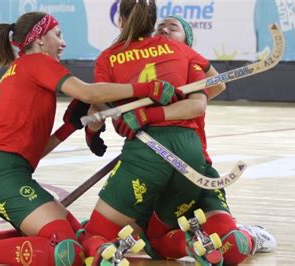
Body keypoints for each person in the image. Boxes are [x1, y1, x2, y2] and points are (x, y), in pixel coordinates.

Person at [0, 11, 183, 266]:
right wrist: (147, 88)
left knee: (79, 236)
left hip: (3, 171)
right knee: (64, 248)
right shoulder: (37, 61)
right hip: (0, 175)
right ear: (39, 40)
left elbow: (29, 150)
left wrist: (68, 127)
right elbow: (89, 92)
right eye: (57, 35)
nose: (63, 42)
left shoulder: (18, 69)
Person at [76, 0, 218, 264]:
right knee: (158, 237)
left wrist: (94, 133)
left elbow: (98, 107)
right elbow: (215, 85)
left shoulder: (108, 57)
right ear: (153, 23)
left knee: (94, 232)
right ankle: (190, 244)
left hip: (146, 151)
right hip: (191, 153)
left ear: (120, 20)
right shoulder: (179, 48)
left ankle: (102, 253)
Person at [138, 15, 277, 265]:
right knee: (155, 245)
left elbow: (216, 86)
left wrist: (179, 94)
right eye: (160, 27)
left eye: (173, 28)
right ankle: (192, 240)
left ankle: (250, 235)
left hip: (198, 174)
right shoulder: (140, 72)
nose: (164, 30)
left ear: (187, 43)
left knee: (233, 247)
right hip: (158, 175)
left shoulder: (190, 70)